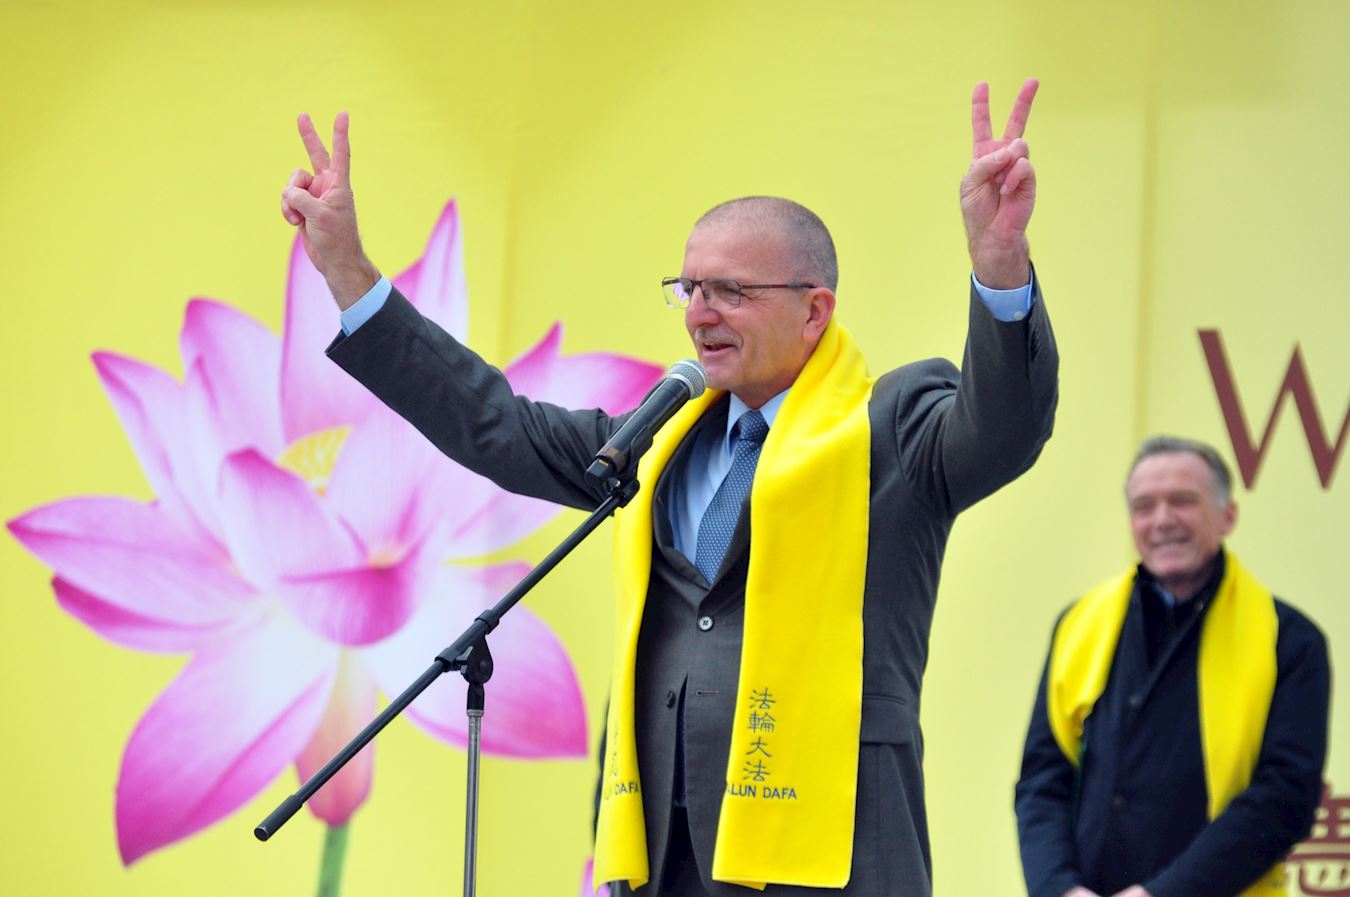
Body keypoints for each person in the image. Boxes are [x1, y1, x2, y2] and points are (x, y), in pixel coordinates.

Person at [281, 78, 1058, 896]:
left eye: (731, 291)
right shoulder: (655, 441)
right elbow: (492, 422)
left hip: (833, 862)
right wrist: (350, 273)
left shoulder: (890, 429)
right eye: (690, 289)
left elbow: (1002, 430)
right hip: (664, 863)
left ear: (814, 311)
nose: (699, 313)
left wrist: (999, 266)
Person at [1014, 436, 1331, 897]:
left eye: (1182, 501)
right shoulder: (1079, 624)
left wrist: (1162, 894)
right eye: (1144, 506)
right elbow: (1043, 778)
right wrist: (1059, 887)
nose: (1162, 520)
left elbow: (1285, 799)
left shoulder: (1289, 641)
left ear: (1228, 516)